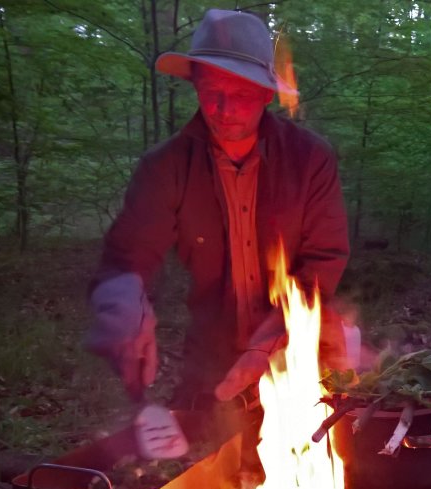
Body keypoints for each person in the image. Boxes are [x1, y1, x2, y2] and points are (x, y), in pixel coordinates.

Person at [85, 8, 349, 410]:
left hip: (299, 352)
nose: (224, 109)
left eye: (241, 94)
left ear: (266, 94)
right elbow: (127, 257)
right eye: (211, 92)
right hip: (211, 362)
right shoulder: (166, 167)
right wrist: (125, 311)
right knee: (206, 443)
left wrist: (267, 344)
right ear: (195, 85)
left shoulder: (309, 158)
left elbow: (323, 262)